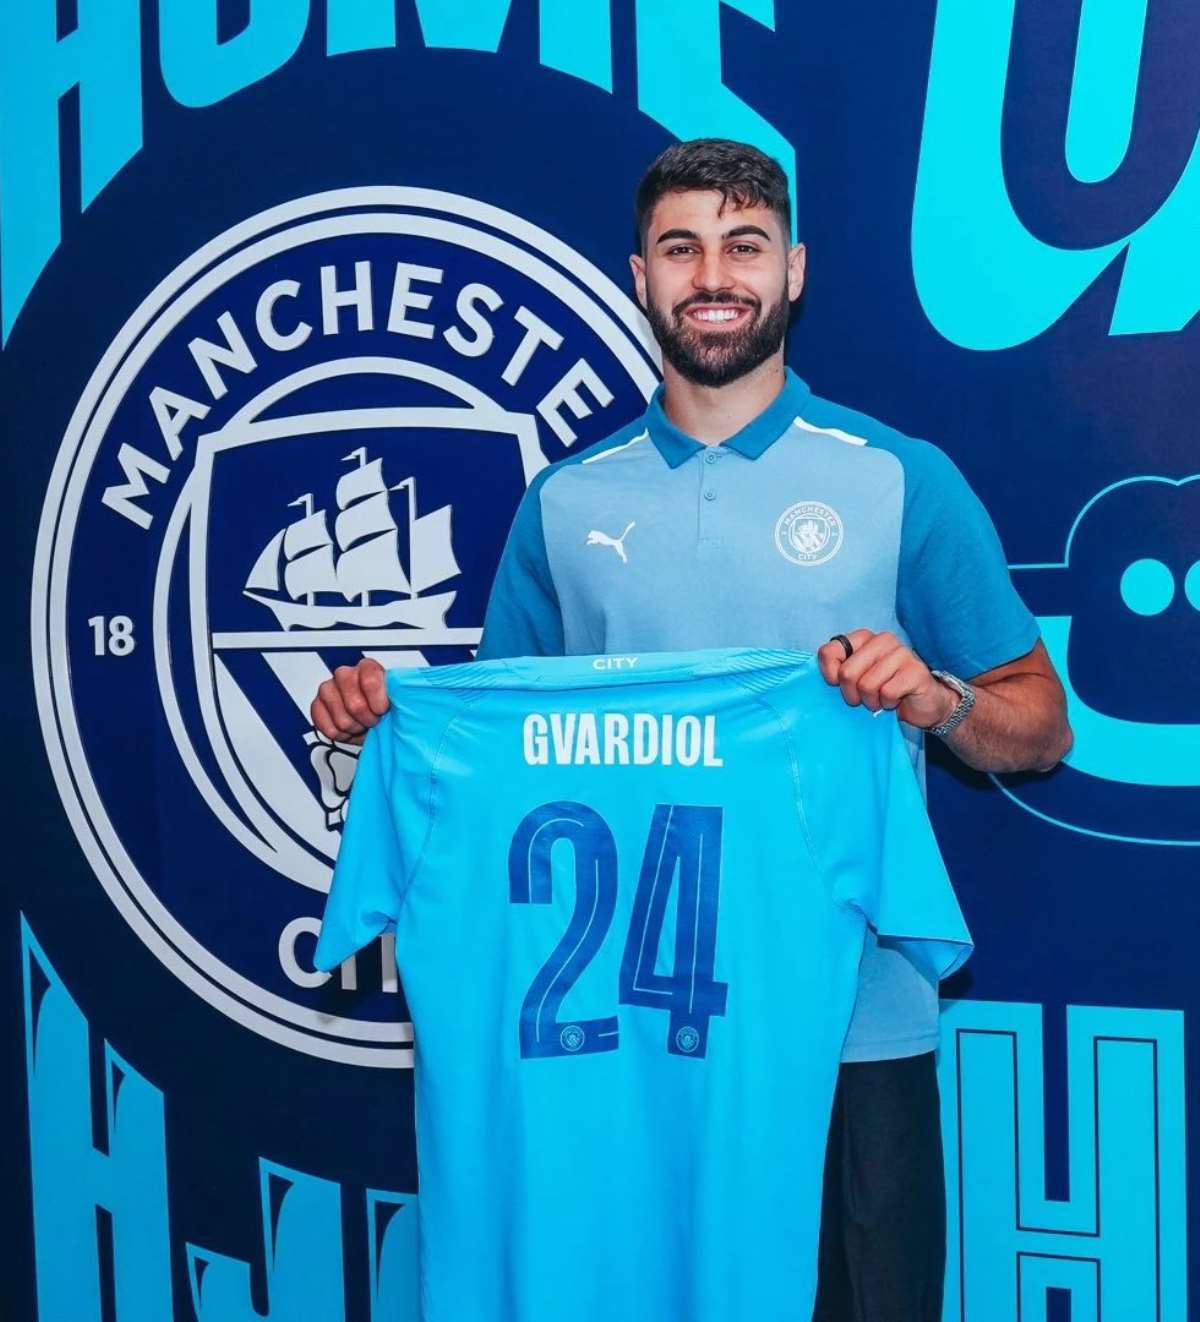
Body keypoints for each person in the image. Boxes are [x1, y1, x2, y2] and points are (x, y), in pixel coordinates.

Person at [311, 138, 1072, 1322]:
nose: (714, 275)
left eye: (744, 245)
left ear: (794, 270)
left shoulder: (898, 478)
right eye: (682, 248)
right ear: (640, 275)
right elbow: (505, 747)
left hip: (847, 1035)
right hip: (621, 1049)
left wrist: (937, 699)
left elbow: (1041, 725)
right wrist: (378, 730)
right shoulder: (565, 502)